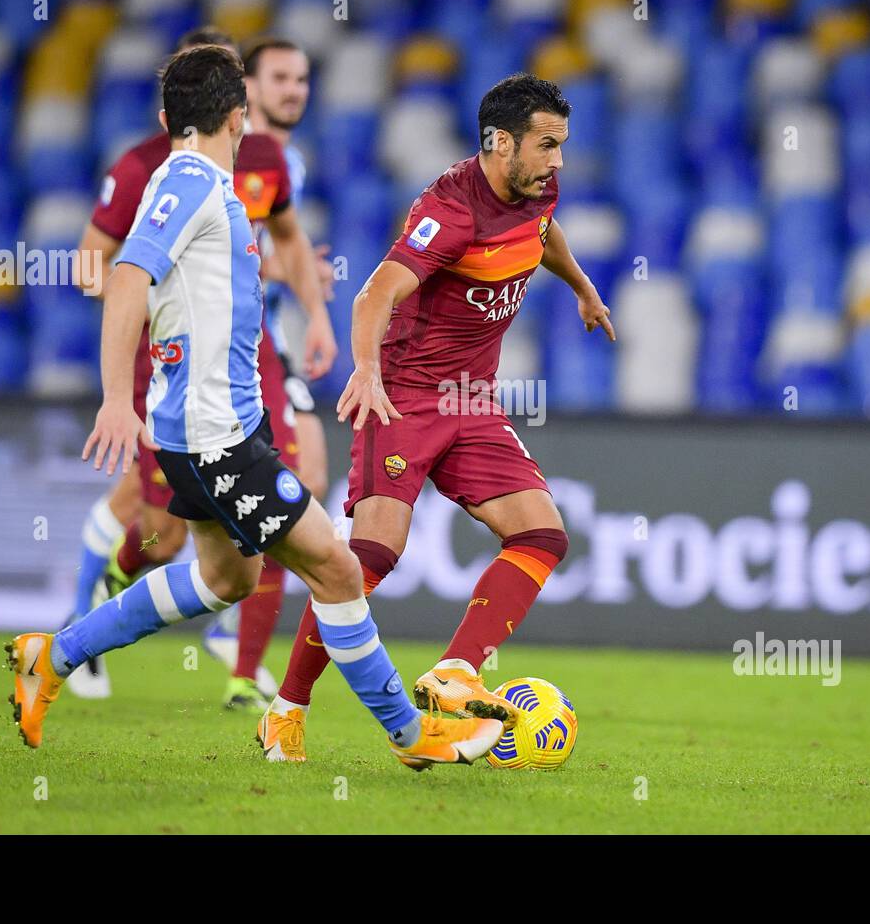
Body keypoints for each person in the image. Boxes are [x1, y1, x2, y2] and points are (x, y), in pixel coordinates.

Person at [6, 45, 503, 771]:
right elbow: (125, 278)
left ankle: (54, 655)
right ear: (239, 114)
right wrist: (117, 398)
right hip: (217, 437)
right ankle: (409, 732)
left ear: (166, 115)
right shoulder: (190, 185)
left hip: (209, 428)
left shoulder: (201, 183)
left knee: (225, 579)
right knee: (334, 569)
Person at [257, 73, 615, 761]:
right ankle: (286, 709)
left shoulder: (537, 187)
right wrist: (366, 370)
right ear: (500, 143)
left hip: (472, 400)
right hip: (405, 395)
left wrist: (583, 287)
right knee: (369, 558)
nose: (558, 162)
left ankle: (456, 671)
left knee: (542, 534)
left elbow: (544, 233)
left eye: (563, 146)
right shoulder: (450, 210)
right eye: (547, 145)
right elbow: (373, 295)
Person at [61, 27, 335, 710]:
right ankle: (97, 605)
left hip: (251, 357)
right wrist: (157, 298)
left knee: (299, 482)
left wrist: (318, 313)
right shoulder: (148, 173)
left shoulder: (266, 159)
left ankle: (244, 671)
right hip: (174, 365)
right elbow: (97, 268)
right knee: (163, 533)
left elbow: (290, 242)